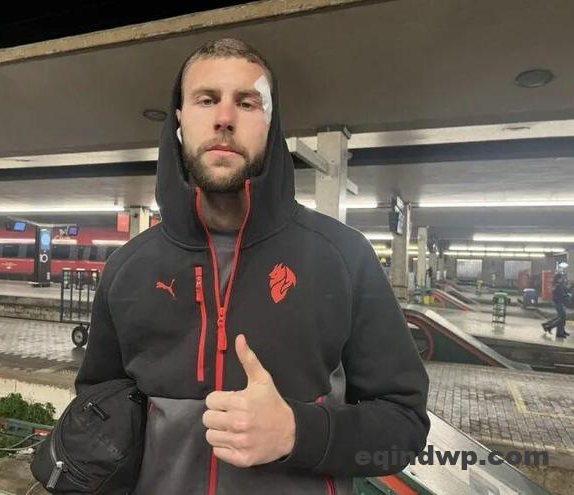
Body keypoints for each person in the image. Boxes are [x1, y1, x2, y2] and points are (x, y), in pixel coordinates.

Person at [75, 38, 430, 494]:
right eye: (206, 99)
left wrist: (298, 433)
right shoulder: (127, 269)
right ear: (179, 119)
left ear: (270, 124)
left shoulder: (344, 257)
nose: (225, 118)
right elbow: (96, 411)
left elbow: (404, 430)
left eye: (247, 102)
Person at [542, 272, 571, 338]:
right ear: (558, 278)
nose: (563, 279)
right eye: (561, 278)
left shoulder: (558, 284)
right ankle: (549, 327)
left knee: (562, 317)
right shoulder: (558, 285)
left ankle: (560, 331)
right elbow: (561, 294)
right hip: (558, 303)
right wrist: (568, 295)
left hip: (559, 302)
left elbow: (565, 290)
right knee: (562, 318)